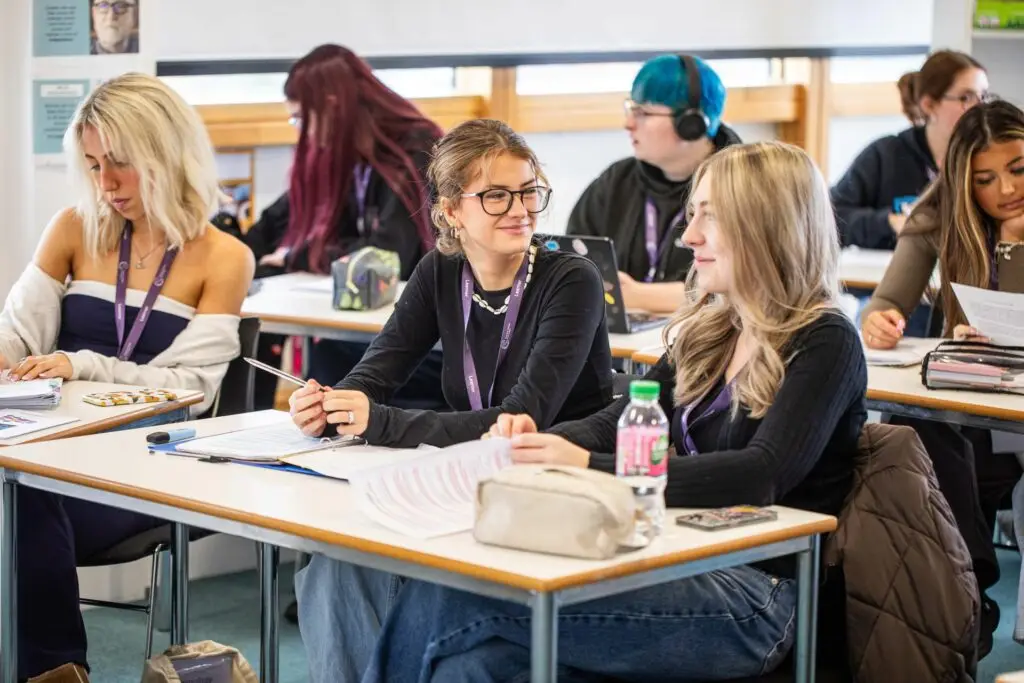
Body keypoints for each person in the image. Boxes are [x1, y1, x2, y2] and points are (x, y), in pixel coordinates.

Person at [351, 141, 866, 682]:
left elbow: (761, 472)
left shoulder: (824, 340)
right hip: (678, 552)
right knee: (474, 667)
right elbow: (623, 417)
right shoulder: (711, 332)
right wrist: (534, 446)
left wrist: (584, 465)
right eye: (692, 217)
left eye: (709, 219)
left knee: (455, 593)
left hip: (757, 595)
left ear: (765, 226)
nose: (689, 237)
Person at [289, 119, 615, 682]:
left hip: (548, 486)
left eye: (528, 190)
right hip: (467, 477)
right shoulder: (440, 271)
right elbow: (377, 370)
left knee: (387, 569)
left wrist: (380, 422)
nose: (521, 209)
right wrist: (330, 405)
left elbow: (519, 418)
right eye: (495, 195)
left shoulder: (571, 279)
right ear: (450, 211)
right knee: (333, 564)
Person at [0, 73, 254, 682]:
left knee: (20, 493)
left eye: (120, 164)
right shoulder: (72, 227)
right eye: (91, 165)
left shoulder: (225, 257)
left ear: (166, 155)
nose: (104, 183)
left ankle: (55, 670)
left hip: (142, 461)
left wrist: (80, 364)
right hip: (51, 441)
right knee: (18, 488)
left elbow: (190, 387)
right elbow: (16, 337)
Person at [861, 99, 1024, 657]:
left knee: (946, 467)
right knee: (911, 429)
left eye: (1019, 168)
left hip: (1013, 423)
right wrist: (880, 322)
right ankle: (969, 590)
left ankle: (964, 599)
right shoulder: (942, 213)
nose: (1005, 188)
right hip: (979, 407)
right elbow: (884, 304)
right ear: (962, 182)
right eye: (985, 179)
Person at [240, 44, 444, 410]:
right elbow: (279, 219)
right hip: (378, 324)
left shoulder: (414, 152)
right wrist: (239, 255)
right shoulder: (351, 158)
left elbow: (385, 257)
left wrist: (296, 255)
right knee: (254, 334)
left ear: (333, 105)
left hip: (424, 336)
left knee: (329, 359)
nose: (300, 131)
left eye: (301, 118)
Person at [567, 54, 741, 315]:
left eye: (643, 113)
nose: (628, 124)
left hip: (709, 342)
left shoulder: (744, 186)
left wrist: (636, 295)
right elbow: (572, 264)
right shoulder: (616, 182)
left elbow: (741, 287)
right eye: (630, 109)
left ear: (691, 124)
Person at [832, 50, 988, 251]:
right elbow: (833, 217)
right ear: (929, 105)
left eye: (984, 96)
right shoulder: (884, 155)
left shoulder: (989, 158)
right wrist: (890, 222)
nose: (980, 107)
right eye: (966, 97)